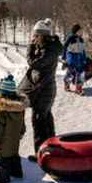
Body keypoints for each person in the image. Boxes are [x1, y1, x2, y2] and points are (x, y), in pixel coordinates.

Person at [18, 18, 63, 162]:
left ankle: (41, 154)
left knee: (39, 121)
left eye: (36, 36)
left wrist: (30, 48)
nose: (34, 38)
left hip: (45, 91)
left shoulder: (49, 50)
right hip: (42, 89)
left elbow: (34, 63)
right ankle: (50, 150)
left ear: (43, 35)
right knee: (45, 120)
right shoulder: (46, 47)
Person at [0, 75, 26, 183]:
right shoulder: (20, 107)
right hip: (15, 140)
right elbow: (22, 124)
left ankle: (2, 178)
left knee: (3, 160)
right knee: (14, 156)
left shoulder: (2, 110)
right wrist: (20, 133)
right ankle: (17, 173)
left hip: (3, 143)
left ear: (2, 92)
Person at [62, 24, 87, 95]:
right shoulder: (70, 38)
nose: (81, 32)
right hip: (72, 58)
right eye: (80, 30)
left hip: (80, 58)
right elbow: (64, 47)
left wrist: (85, 58)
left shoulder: (81, 40)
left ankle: (78, 88)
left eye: (81, 31)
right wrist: (64, 57)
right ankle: (66, 83)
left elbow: (83, 50)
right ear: (76, 31)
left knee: (81, 73)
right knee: (70, 73)